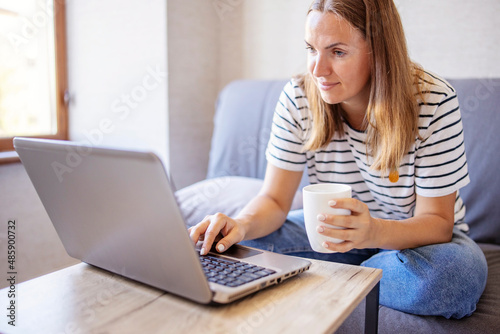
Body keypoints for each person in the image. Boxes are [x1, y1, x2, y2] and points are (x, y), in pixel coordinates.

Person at [189, 0, 487, 319]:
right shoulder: (299, 97)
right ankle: (358, 276)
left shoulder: (433, 101)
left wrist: (371, 231)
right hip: (329, 233)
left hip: (418, 246)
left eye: (338, 52)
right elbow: (275, 200)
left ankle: (326, 276)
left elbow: (439, 224)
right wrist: (242, 224)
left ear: (379, 52)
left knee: (446, 282)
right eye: (311, 49)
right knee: (227, 250)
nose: (318, 69)